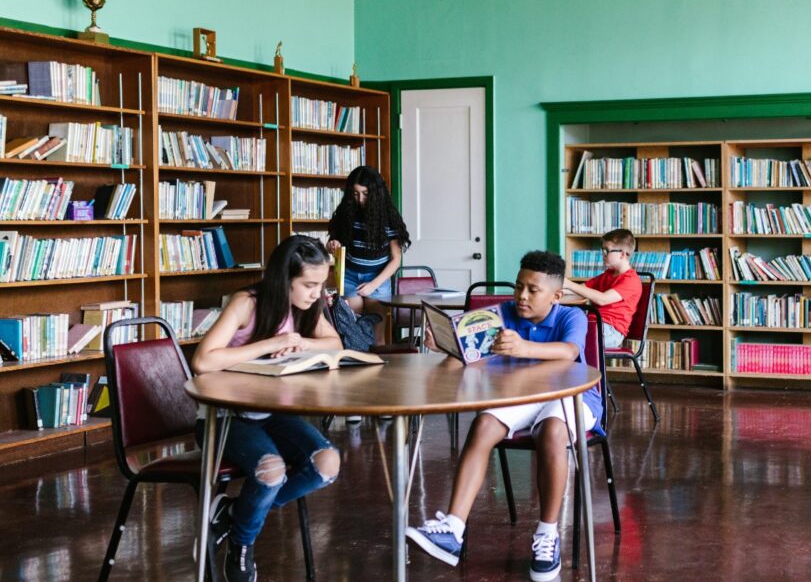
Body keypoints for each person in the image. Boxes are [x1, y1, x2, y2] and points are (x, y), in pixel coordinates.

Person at [407, 250, 601, 582]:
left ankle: (547, 534)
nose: (522, 296)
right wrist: (448, 347)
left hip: (572, 397)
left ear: (556, 295)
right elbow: (469, 361)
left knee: (552, 432)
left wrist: (524, 348)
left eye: (533, 290)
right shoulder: (502, 314)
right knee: (483, 423)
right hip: (520, 396)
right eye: (518, 287)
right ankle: (453, 528)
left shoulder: (572, 317)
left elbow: (569, 352)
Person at [191, 235, 343, 582]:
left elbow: (334, 343)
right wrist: (270, 344)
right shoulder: (246, 302)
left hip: (273, 413)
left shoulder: (307, 307)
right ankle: (242, 545)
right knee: (271, 471)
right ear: (283, 280)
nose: (316, 293)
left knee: (328, 462)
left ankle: (233, 514)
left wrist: (301, 342)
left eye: (320, 285)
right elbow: (203, 360)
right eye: (308, 284)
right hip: (226, 419)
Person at [326, 165, 411, 314]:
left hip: (378, 278)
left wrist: (373, 285)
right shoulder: (346, 212)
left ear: (375, 194)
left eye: (365, 193)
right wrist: (333, 245)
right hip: (349, 277)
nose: (360, 199)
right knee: (353, 333)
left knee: (377, 335)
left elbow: (396, 259)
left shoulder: (388, 217)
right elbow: (334, 242)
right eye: (355, 194)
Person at [562, 228, 643, 349]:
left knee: (568, 336)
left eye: (607, 250)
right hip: (595, 323)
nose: (603, 254)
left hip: (611, 331)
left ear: (622, 254)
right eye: (603, 250)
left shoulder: (631, 280)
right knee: (562, 328)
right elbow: (580, 289)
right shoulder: (608, 274)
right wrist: (555, 289)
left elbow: (603, 299)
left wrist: (568, 284)